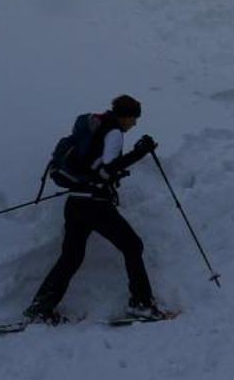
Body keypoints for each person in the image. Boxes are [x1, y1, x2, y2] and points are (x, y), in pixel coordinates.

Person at [22, 94, 166, 324]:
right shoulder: (114, 132)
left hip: (76, 203)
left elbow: (95, 166)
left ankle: (40, 307)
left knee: (71, 257)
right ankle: (142, 305)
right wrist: (139, 152)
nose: (134, 124)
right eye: (134, 119)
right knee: (132, 246)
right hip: (95, 205)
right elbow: (107, 170)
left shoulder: (95, 128)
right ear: (126, 116)